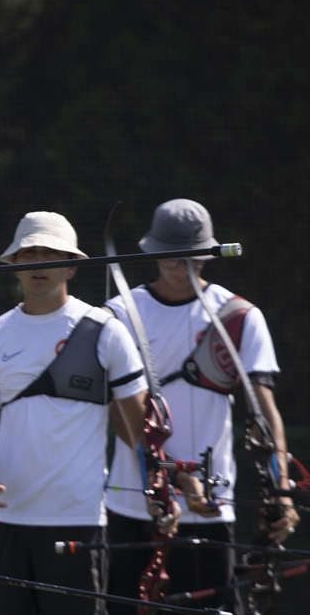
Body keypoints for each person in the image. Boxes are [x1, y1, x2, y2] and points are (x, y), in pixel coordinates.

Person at [0, 212, 153, 615]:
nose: (39, 261)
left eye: (50, 252)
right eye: (29, 253)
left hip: (77, 524)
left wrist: (167, 486)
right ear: (15, 265)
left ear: (72, 264)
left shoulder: (106, 331)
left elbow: (141, 434)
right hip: (4, 525)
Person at [103, 199, 297, 613]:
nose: (179, 264)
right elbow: (120, 415)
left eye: (190, 254)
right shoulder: (119, 314)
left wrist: (279, 490)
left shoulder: (239, 316)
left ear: (208, 252)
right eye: (169, 255)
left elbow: (264, 410)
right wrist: (171, 475)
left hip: (210, 506)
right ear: (152, 250)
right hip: (135, 502)